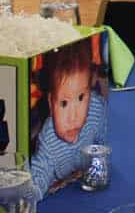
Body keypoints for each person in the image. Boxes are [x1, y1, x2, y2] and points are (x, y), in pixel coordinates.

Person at [27, 35, 109, 195]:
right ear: (51, 103)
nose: (73, 116)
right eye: (64, 103)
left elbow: (105, 143)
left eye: (81, 97)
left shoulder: (96, 111)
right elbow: (38, 178)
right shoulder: (49, 140)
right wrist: (28, 196)